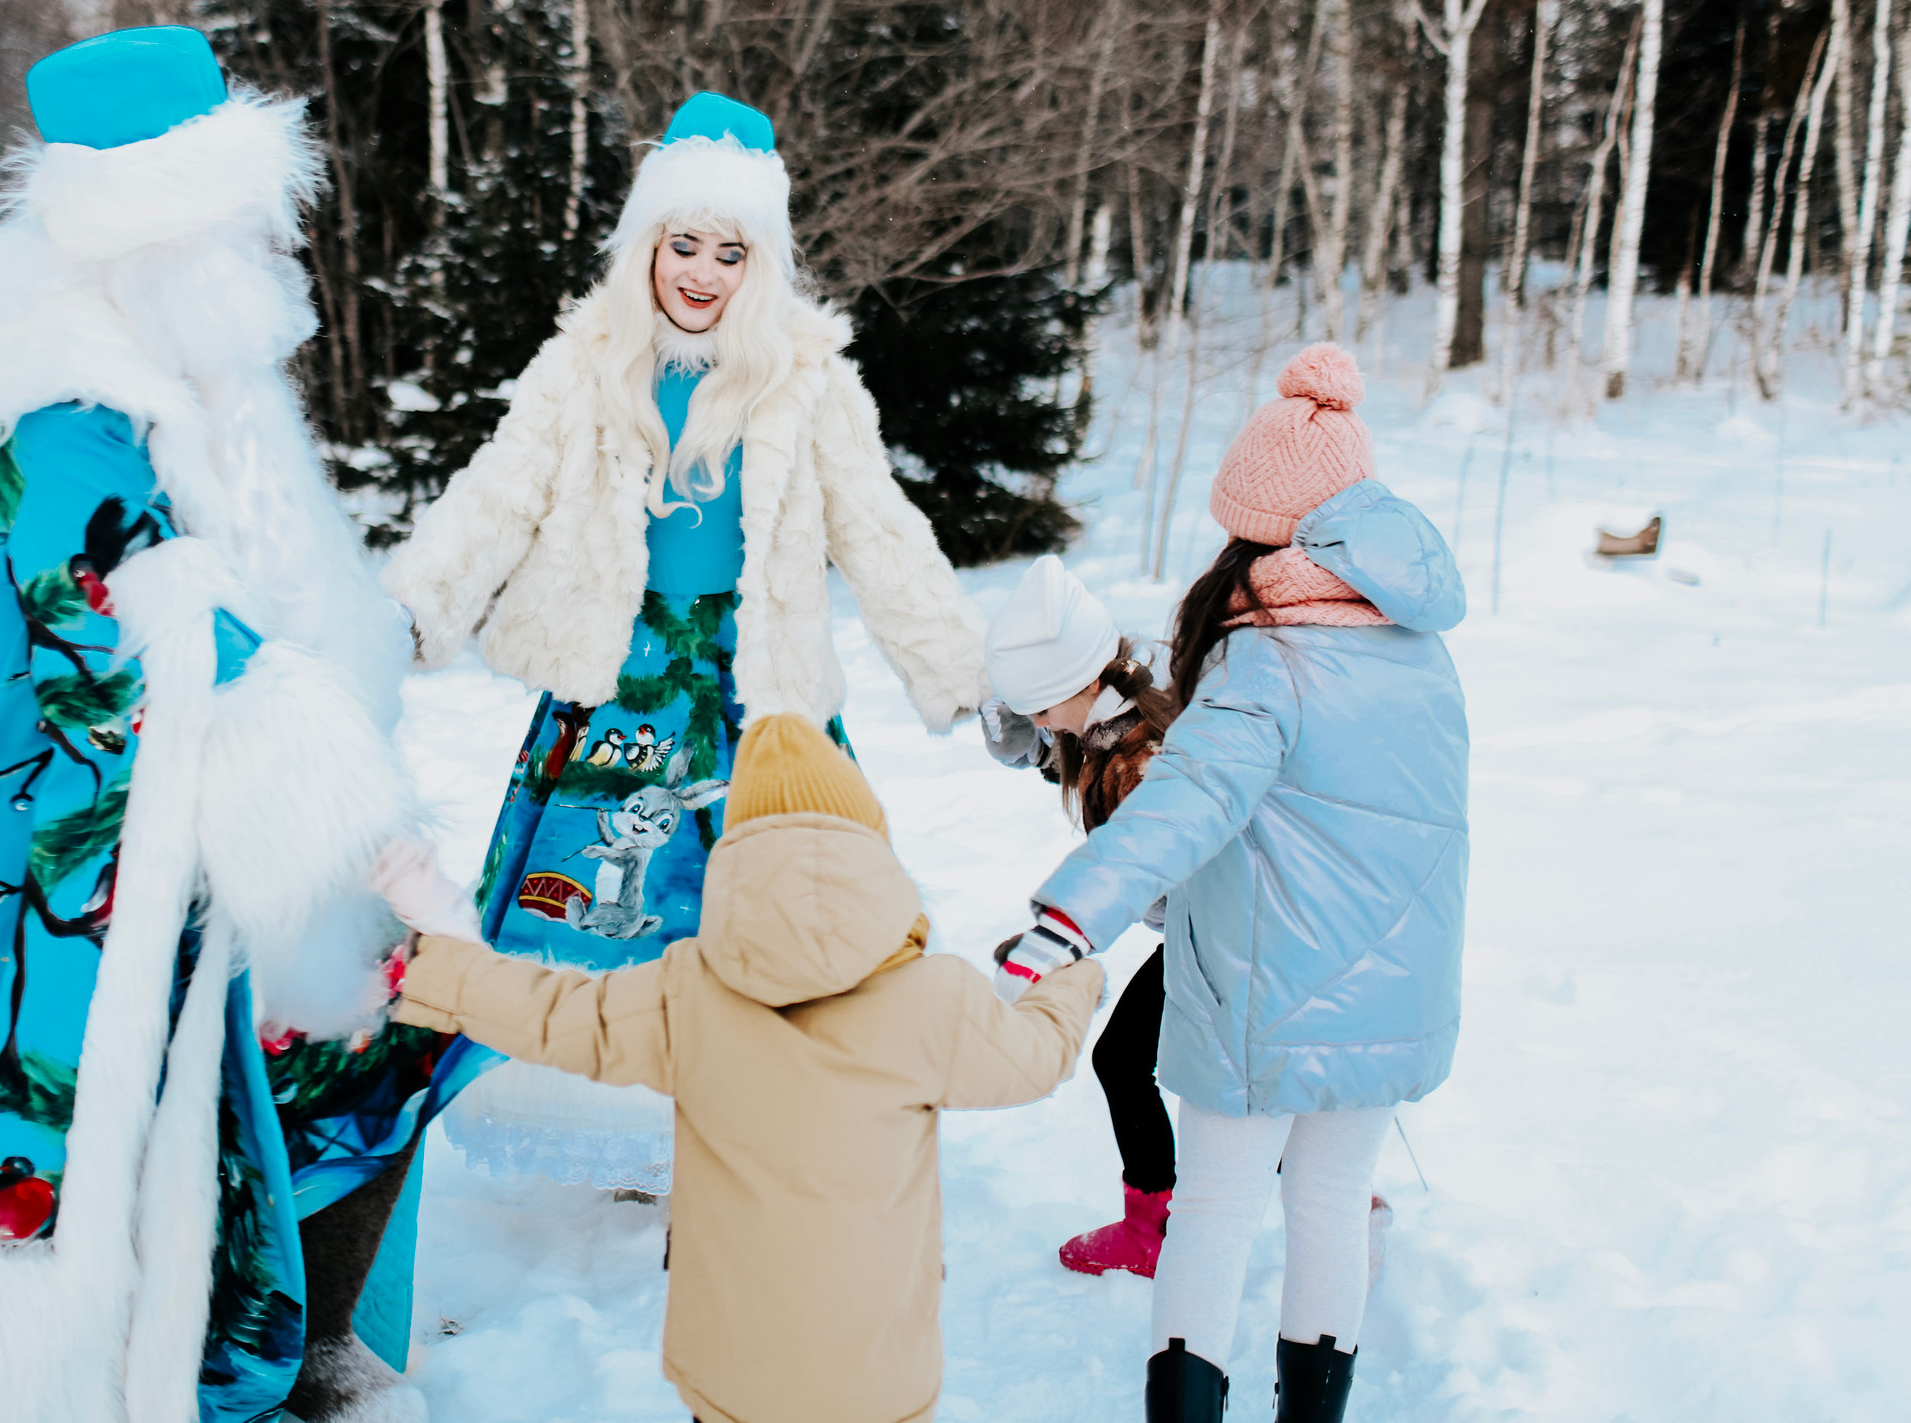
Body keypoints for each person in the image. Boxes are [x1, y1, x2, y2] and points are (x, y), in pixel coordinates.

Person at [0, 28, 476, 1423]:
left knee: (305, 1048)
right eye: (233, 231)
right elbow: (150, 618)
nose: (259, 268)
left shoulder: (148, 376)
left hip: (50, 843)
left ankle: (274, 1337)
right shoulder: (64, 403)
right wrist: (362, 831)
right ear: (159, 237)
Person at [382, 91, 986, 1193]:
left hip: (759, 699)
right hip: (614, 687)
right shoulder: (586, 362)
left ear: (763, 262)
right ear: (645, 245)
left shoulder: (809, 378)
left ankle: (752, 1122)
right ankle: (624, 1118)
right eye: (681, 244)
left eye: (729, 250)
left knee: (767, 910)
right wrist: (414, 606)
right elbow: (497, 496)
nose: (701, 272)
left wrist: (959, 667)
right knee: (600, 908)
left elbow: (878, 528)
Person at [378, 714, 1103, 1423]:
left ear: (734, 857)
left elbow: (554, 1011)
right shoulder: (934, 1000)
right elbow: (1035, 1057)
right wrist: (1071, 978)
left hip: (732, 1378)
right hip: (880, 1378)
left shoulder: (690, 996)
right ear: (873, 847)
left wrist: (426, 969)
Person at [995, 344, 1468, 1423]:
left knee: (1212, 1212)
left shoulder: (1268, 661)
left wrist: (1068, 919)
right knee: (1332, 1205)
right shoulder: (1422, 652)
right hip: (1397, 995)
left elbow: (1184, 803)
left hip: (1264, 994)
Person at [981, 555, 1180, 1278]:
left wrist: (1064, 942)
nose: (1037, 724)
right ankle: (1318, 1183)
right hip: (1200, 931)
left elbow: (1141, 870)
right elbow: (1062, 751)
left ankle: (1153, 1226)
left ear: (1083, 683)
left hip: (1218, 932)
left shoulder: (1146, 760)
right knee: (1170, 1065)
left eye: (1041, 707)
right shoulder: (1109, 720)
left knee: (1127, 1060)